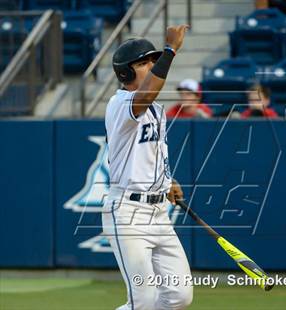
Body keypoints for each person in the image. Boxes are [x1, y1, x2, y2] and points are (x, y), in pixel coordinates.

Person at [103, 25, 193, 310]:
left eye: (153, 60)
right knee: (143, 301)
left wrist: (167, 182)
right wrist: (170, 50)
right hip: (127, 212)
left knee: (179, 297)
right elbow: (146, 95)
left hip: (157, 213)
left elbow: (153, 155)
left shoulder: (155, 110)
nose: (152, 66)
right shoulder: (122, 103)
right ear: (125, 74)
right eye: (143, 62)